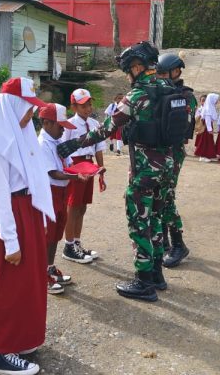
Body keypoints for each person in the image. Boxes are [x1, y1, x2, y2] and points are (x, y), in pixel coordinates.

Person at [58, 41, 180, 302]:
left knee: (140, 223)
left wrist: (73, 143)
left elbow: (105, 129)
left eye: (128, 71)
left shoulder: (137, 95)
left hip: (145, 171)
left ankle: (144, 281)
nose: (128, 76)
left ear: (136, 67)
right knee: (157, 221)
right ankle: (157, 275)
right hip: (169, 168)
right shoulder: (170, 88)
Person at [0, 76, 54, 375]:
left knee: (26, 282)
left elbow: (34, 176)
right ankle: (1, 352)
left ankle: (20, 338)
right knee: (6, 282)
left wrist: (38, 218)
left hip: (24, 212)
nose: (31, 114)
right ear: (12, 105)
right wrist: (11, 241)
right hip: (6, 216)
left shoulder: (19, 135)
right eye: (28, 107)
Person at [37, 103, 97, 295]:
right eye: (60, 126)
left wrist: (89, 169)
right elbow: (54, 173)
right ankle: (40, 275)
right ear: (46, 123)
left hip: (60, 192)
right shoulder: (42, 143)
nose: (63, 130)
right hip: (50, 193)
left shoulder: (55, 141)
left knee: (56, 234)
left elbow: (69, 164)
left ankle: (49, 267)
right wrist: (75, 177)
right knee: (47, 236)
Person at [155, 51, 195, 269]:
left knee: (166, 197)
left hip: (173, 152)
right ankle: (166, 243)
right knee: (158, 197)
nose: (161, 77)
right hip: (159, 152)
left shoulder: (186, 96)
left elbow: (183, 125)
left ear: (176, 71)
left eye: (164, 73)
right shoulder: (160, 92)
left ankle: (179, 244)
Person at [61, 88, 106, 263]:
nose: (87, 108)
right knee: (72, 206)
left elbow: (99, 147)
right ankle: (69, 245)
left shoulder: (95, 124)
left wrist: (101, 168)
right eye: (82, 106)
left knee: (82, 206)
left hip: (89, 165)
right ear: (74, 107)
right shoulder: (69, 125)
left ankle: (77, 243)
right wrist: (71, 170)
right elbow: (64, 149)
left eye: (89, 104)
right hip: (76, 165)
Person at [195, 93, 219, 162]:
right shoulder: (208, 108)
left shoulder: (210, 107)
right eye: (215, 100)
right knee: (205, 142)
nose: (216, 101)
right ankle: (202, 156)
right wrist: (209, 129)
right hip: (206, 128)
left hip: (208, 127)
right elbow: (207, 120)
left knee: (209, 142)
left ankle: (209, 155)